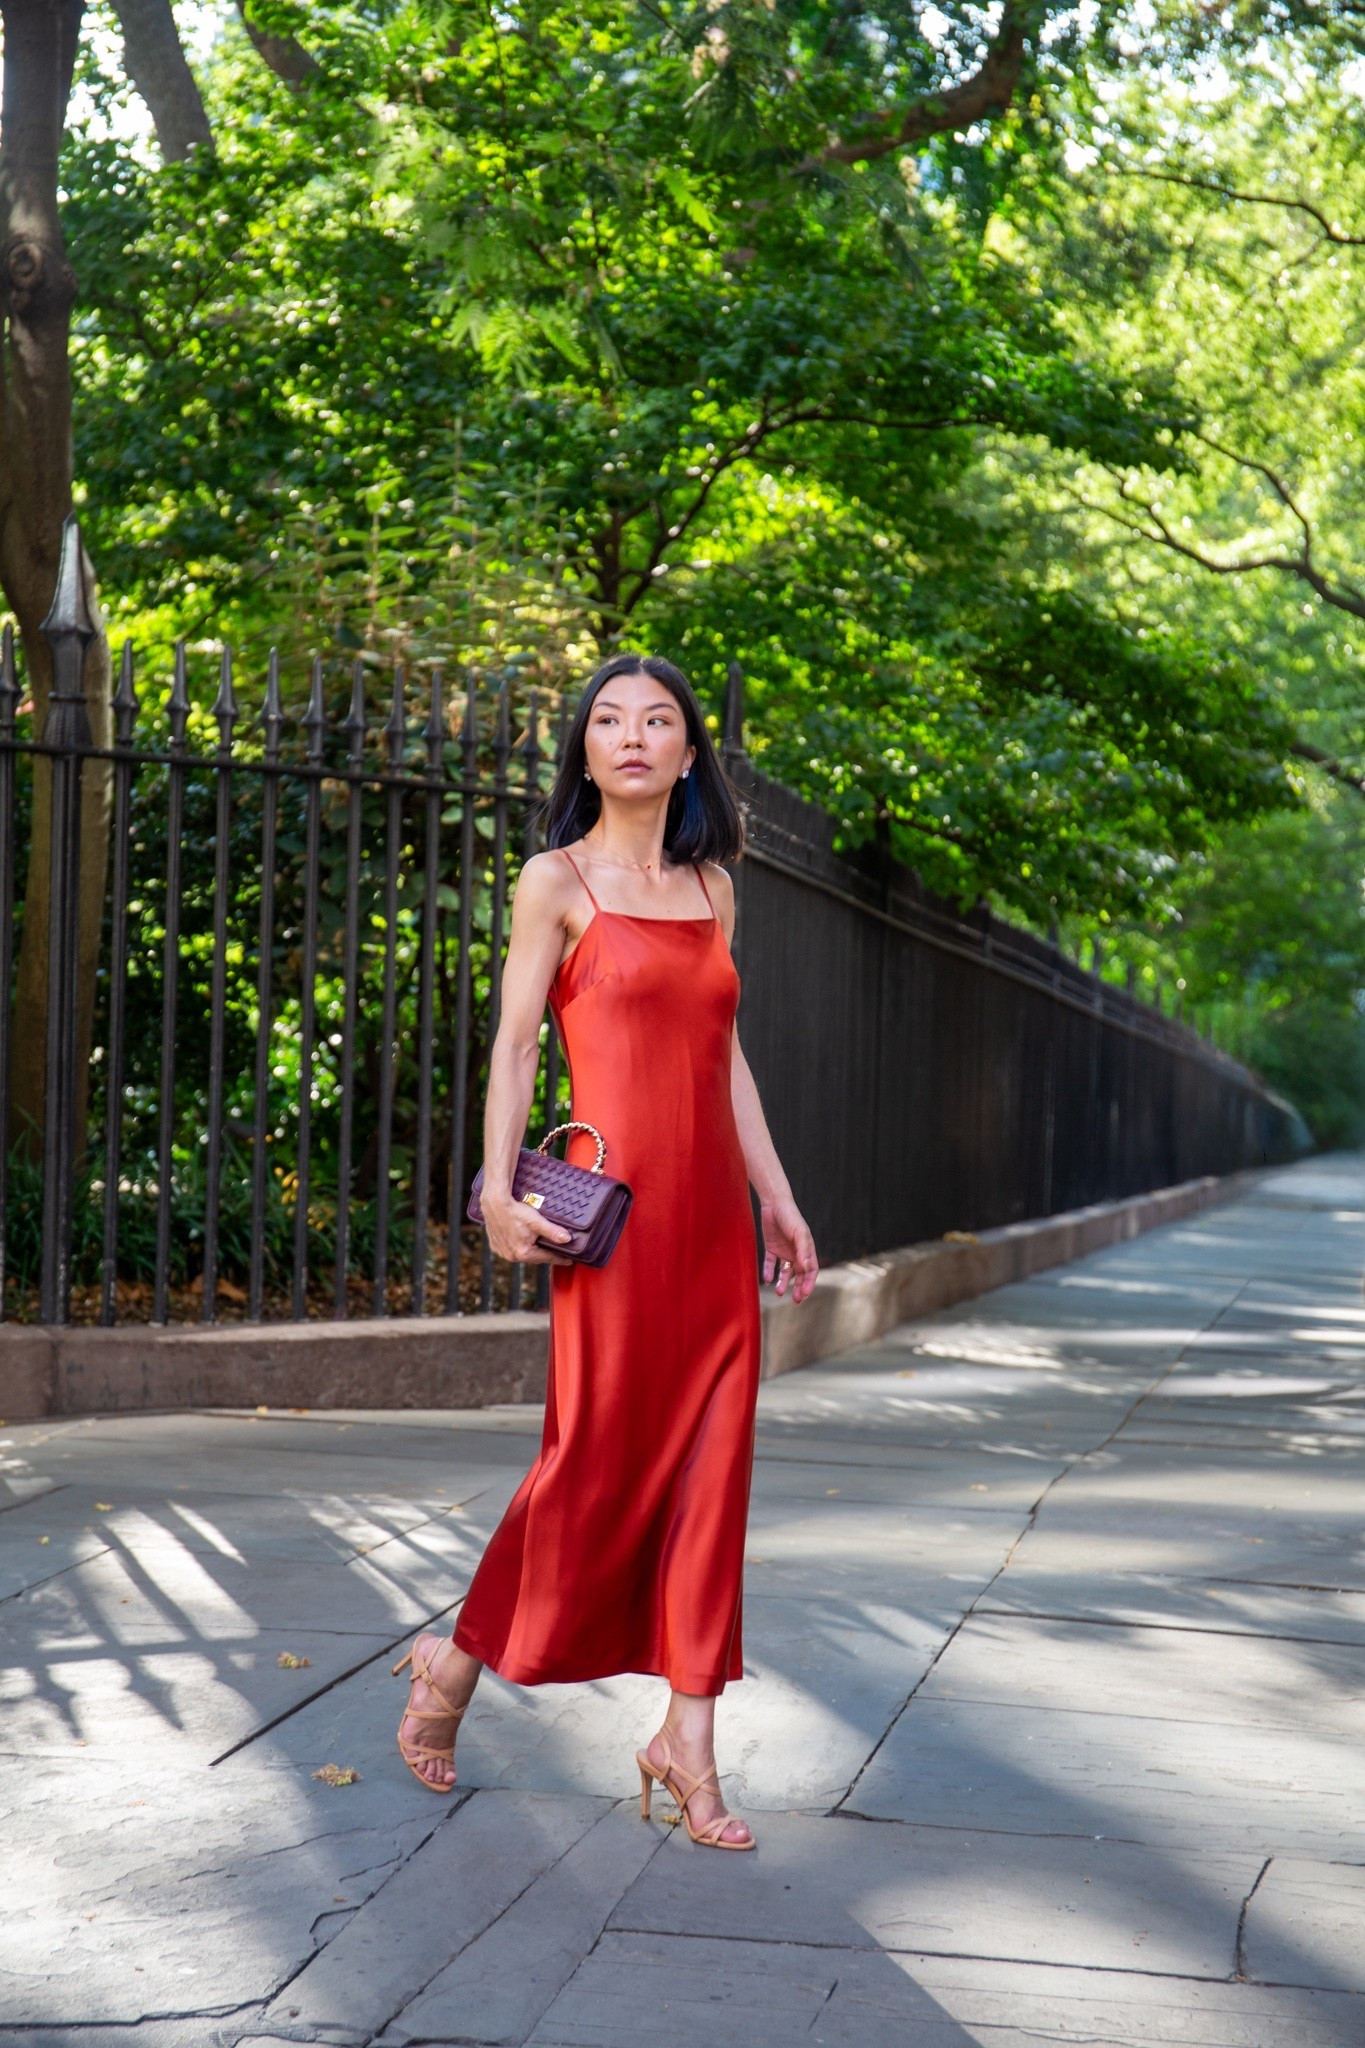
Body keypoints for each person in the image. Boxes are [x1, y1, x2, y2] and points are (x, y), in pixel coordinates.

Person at [393, 653, 818, 1849]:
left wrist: (776, 1198)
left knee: (712, 1472)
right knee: (591, 1454)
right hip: (615, 1224)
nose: (633, 735)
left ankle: (689, 1736)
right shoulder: (556, 879)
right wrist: (492, 1180)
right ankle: (457, 1653)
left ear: (690, 752)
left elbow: (726, 1058)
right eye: (610, 720)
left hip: (709, 1227)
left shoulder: (717, 887)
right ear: (585, 749)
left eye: (660, 719)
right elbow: (518, 1040)